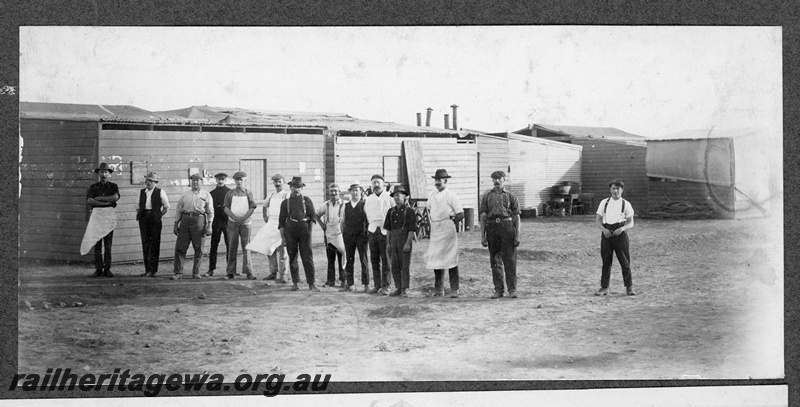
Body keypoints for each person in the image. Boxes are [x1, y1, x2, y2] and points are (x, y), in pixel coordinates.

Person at [480, 170, 521, 298]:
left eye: (499, 179)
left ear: (504, 179)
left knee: (510, 259)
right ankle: (498, 290)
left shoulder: (510, 196)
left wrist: (517, 235)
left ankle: (512, 289)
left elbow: (517, 217)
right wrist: (483, 236)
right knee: (495, 260)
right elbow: (483, 216)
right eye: (494, 179)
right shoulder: (487, 196)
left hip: (507, 227)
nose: (497, 181)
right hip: (492, 228)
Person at [425, 169, 464, 298]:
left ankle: (455, 289)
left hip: (447, 229)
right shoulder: (432, 195)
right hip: (436, 229)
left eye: (439, 180)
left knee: (450, 259)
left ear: (445, 181)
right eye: (435, 180)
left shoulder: (451, 195)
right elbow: (429, 209)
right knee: (436, 259)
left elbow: (461, 213)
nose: (437, 182)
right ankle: (439, 289)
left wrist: (451, 223)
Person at [594, 179, 636, 296]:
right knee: (606, 261)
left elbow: (631, 222)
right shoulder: (604, 202)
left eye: (618, 188)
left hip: (620, 234)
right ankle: (604, 288)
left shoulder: (626, 204)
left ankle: (629, 287)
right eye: (613, 188)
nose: (615, 191)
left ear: (622, 190)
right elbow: (598, 221)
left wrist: (622, 229)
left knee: (624, 261)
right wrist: (604, 230)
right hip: (606, 233)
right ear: (610, 189)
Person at [279, 176, 319, 292]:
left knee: (307, 257)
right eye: (294, 187)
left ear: (301, 189)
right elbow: (281, 222)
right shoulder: (285, 203)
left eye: (298, 187)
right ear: (290, 187)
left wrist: (309, 230)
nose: (296, 190)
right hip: (290, 231)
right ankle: (295, 282)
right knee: (292, 257)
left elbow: (313, 217)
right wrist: (283, 237)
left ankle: (311, 283)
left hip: (304, 231)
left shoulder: (307, 200)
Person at [80, 162, 120, 277]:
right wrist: (105, 203)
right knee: (97, 243)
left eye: (106, 172)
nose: (104, 174)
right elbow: (90, 201)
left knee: (108, 244)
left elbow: (115, 197)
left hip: (108, 215)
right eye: (102, 172)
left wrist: (101, 199)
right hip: (97, 215)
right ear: (98, 173)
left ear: (109, 174)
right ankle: (98, 268)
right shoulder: (93, 187)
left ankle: (107, 268)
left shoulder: (113, 186)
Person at [173, 173, 214, 280]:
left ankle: (196, 272)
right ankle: (178, 272)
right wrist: (176, 223)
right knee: (180, 247)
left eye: (197, 180)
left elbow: (210, 212)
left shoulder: (206, 195)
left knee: (199, 248)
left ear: (201, 182)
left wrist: (209, 225)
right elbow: (179, 210)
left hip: (199, 220)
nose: (195, 182)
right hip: (185, 220)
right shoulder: (185, 195)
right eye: (193, 180)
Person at [254, 173, 290, 283]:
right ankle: (273, 272)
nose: (277, 184)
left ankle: (283, 274)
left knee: (283, 250)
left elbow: (289, 209)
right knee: (270, 249)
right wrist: (265, 217)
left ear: (283, 182)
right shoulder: (271, 195)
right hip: (271, 223)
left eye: (279, 181)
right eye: (275, 182)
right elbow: (265, 206)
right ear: (273, 183)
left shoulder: (286, 195)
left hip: (282, 224)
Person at [383, 185, 417, 298]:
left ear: (404, 197)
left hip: (404, 239)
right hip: (393, 239)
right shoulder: (391, 211)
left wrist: (408, 243)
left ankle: (405, 289)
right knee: (395, 265)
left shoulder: (410, 211)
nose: (397, 198)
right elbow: (388, 229)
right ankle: (398, 287)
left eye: (399, 195)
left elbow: (412, 229)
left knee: (405, 265)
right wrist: (388, 243)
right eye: (395, 196)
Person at [364, 174, 395, 295]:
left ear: (384, 184)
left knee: (386, 259)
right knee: (374, 259)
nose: (376, 185)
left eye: (378, 182)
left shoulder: (389, 197)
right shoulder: (369, 199)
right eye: (374, 183)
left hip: (385, 230)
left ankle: (386, 286)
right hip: (372, 230)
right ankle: (377, 285)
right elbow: (367, 214)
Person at [224, 171, 258, 280]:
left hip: (245, 223)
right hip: (233, 223)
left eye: (241, 180)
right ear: (234, 181)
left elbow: (252, 208)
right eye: (237, 180)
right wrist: (234, 218)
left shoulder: (248, 193)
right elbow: (226, 208)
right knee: (232, 246)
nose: (239, 182)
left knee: (246, 247)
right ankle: (230, 272)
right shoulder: (229, 193)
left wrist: (243, 219)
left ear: (245, 180)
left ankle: (249, 272)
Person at [136, 171, 170, 277]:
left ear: (155, 182)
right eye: (147, 180)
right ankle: (147, 269)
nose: (149, 183)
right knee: (145, 243)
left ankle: (153, 270)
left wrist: (158, 216)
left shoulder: (160, 192)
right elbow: (138, 206)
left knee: (155, 244)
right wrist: (142, 215)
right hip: (144, 218)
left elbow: (166, 206)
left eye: (151, 181)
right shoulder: (141, 192)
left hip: (155, 219)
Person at [316, 183, 347, 288]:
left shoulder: (344, 205)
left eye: (335, 191)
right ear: (329, 192)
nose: (333, 193)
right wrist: (322, 226)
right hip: (329, 234)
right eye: (331, 191)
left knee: (342, 257)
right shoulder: (326, 205)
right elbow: (316, 214)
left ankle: (344, 280)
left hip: (340, 235)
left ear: (339, 192)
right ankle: (330, 280)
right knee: (330, 259)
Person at [342, 183, 371, 292]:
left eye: (357, 191)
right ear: (350, 192)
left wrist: (366, 234)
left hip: (361, 236)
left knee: (363, 260)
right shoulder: (346, 206)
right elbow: (343, 221)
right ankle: (350, 284)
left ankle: (366, 284)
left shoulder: (364, 205)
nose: (354, 193)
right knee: (349, 260)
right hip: (349, 236)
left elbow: (368, 220)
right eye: (353, 190)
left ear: (361, 192)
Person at [205, 173, 230, 277]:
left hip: (227, 222)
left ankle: (230, 269)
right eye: (219, 179)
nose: (220, 181)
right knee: (214, 245)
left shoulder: (229, 192)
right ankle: (211, 269)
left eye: (223, 179)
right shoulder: (211, 193)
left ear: (225, 180)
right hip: (216, 222)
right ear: (216, 180)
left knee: (230, 245)